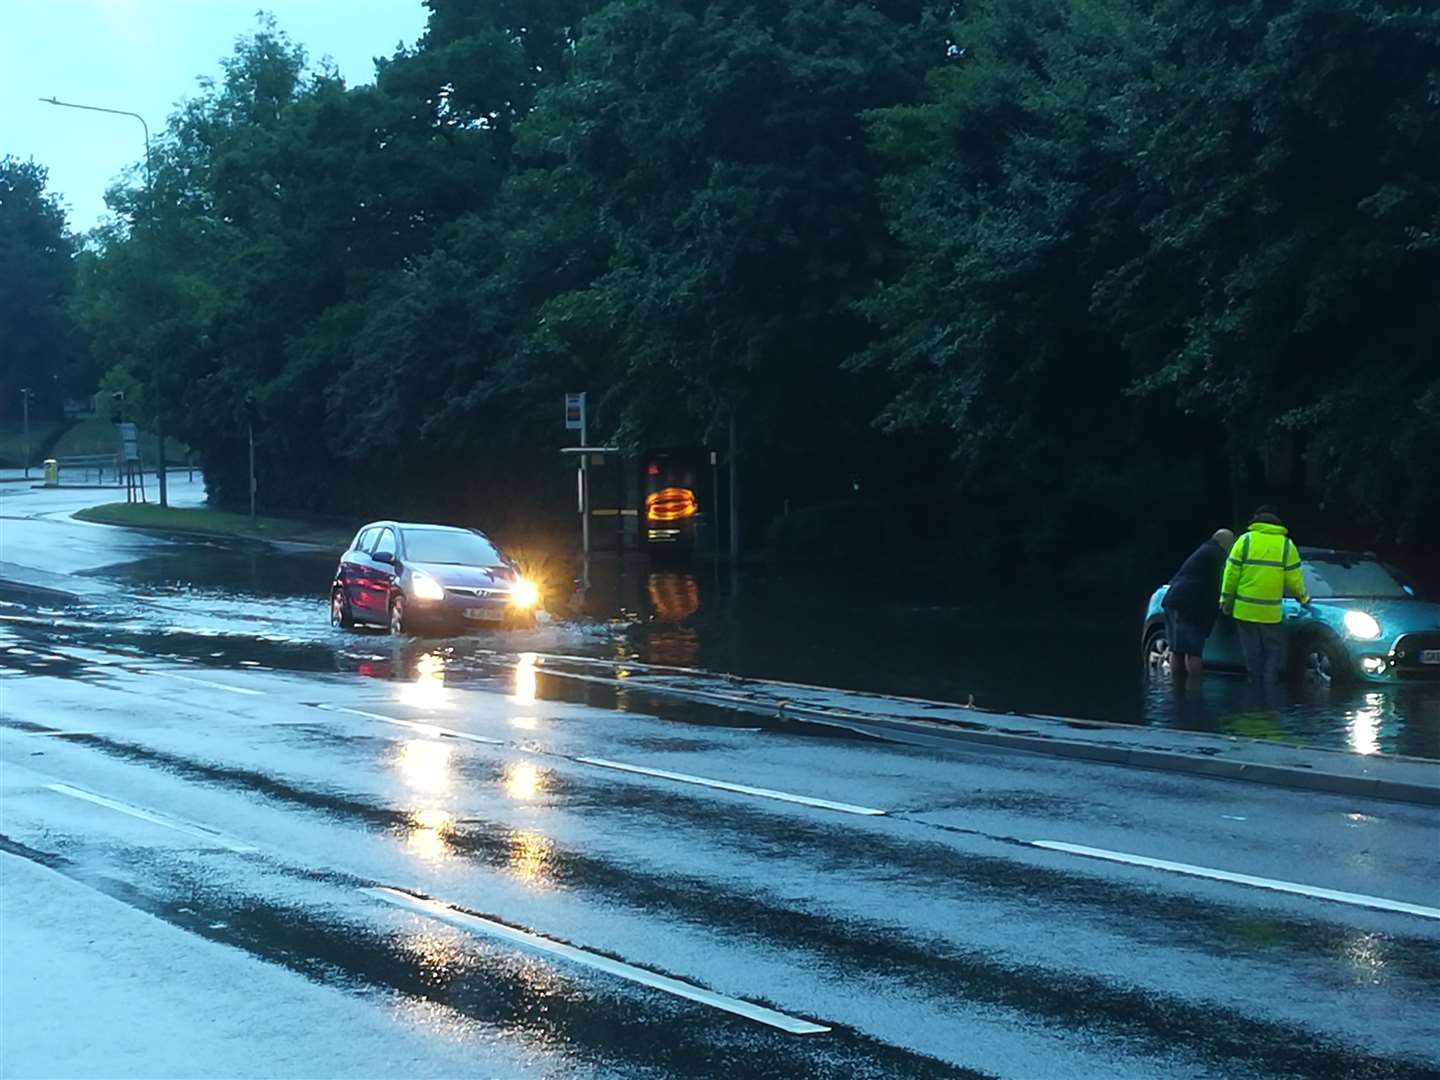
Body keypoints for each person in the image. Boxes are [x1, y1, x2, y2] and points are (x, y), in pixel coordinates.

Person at [1219, 506, 1311, 683]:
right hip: (1270, 613)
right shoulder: (1286, 545)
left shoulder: (1244, 541)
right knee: (1272, 651)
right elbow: (1294, 579)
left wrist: (1226, 600)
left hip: (1244, 610)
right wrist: (1303, 598)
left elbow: (1230, 574)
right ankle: (1270, 688)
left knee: (1251, 652)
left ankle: (1254, 687)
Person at [1161, 528, 1235, 677]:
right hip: (1191, 606)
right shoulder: (1218, 554)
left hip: (1173, 600)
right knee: (1194, 652)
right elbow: (1228, 580)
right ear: (1222, 541)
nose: (1234, 545)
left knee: (1177, 650)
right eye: (1232, 541)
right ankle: (1194, 692)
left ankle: (1177, 690)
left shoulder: (1204, 550)